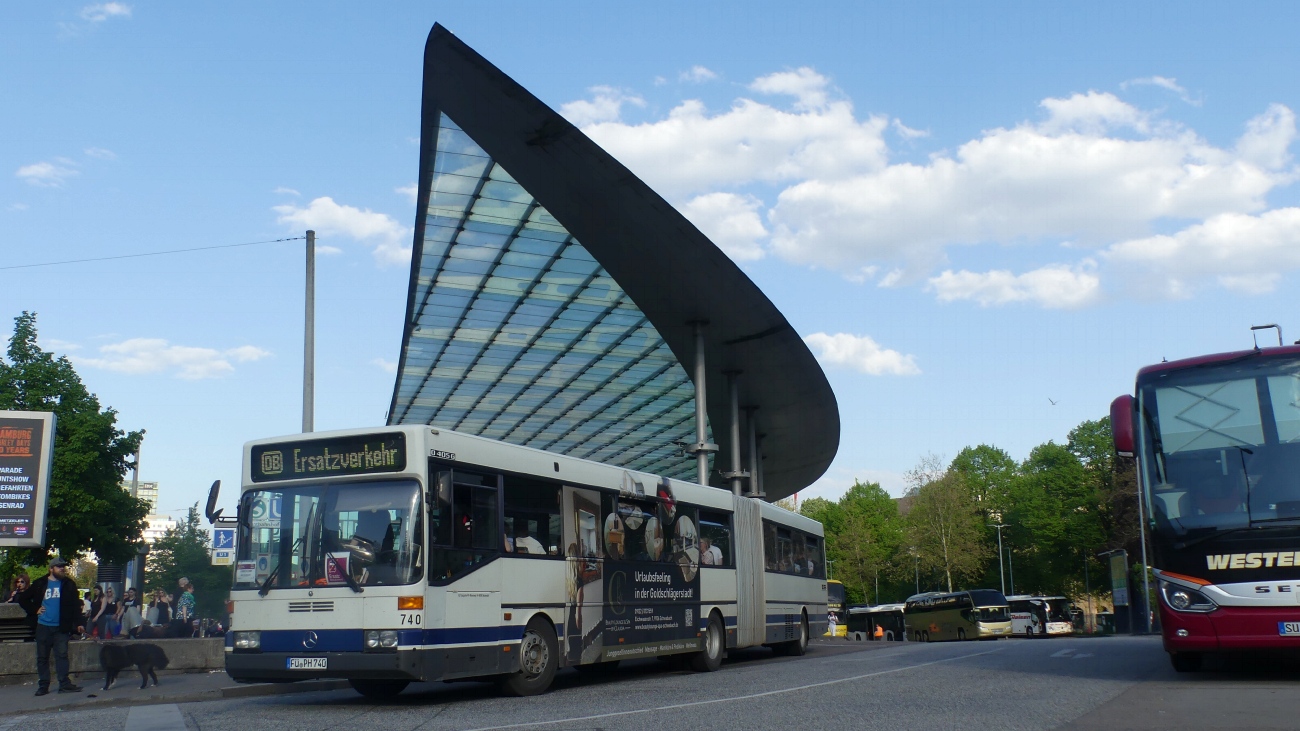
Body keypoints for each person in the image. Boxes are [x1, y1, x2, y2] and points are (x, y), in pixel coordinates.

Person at [18, 558, 84, 695]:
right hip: (43, 626)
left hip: (61, 627)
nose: (62, 569)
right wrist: (35, 609)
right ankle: (43, 685)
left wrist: (79, 623)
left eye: (63, 567)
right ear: (51, 569)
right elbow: (23, 598)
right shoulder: (40, 583)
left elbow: (76, 606)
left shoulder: (69, 584)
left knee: (62, 655)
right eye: (59, 567)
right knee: (42, 657)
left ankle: (64, 684)